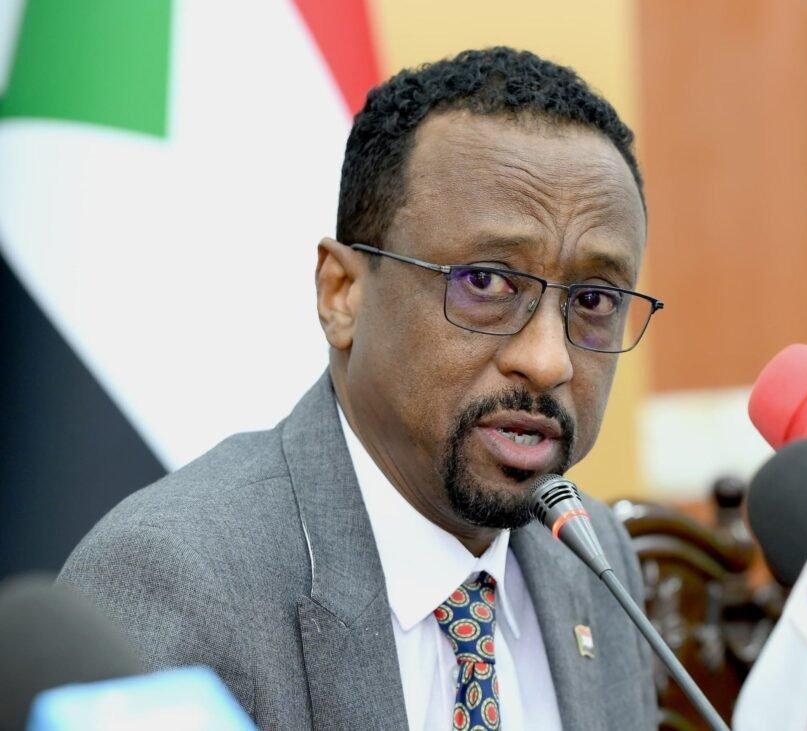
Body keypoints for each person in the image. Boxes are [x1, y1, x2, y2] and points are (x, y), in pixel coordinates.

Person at [58, 48, 661, 730]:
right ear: (341, 293)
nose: (548, 361)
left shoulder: (593, 557)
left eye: (594, 298)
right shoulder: (179, 577)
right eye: (485, 282)